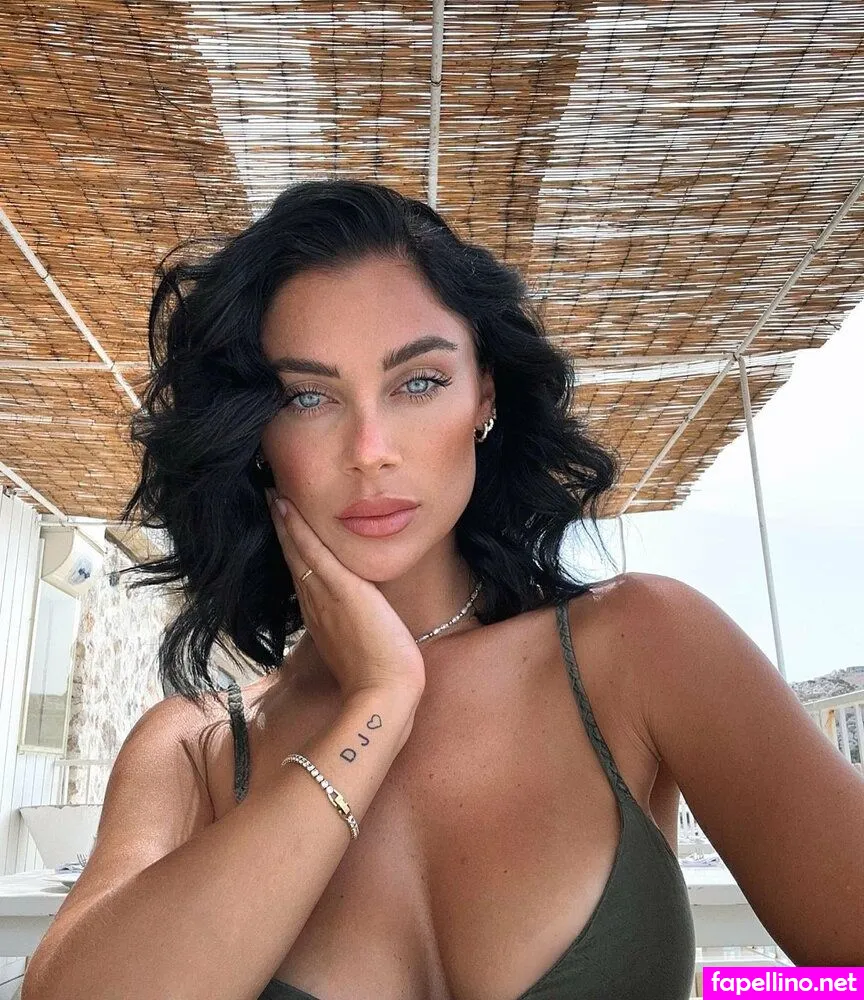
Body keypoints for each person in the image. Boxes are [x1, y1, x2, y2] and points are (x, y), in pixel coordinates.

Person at [22, 180, 864, 1000]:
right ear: (257, 436)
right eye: (308, 397)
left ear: (483, 396)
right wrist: (377, 705)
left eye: (418, 382)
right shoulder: (194, 750)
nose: (371, 449)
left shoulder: (644, 644)